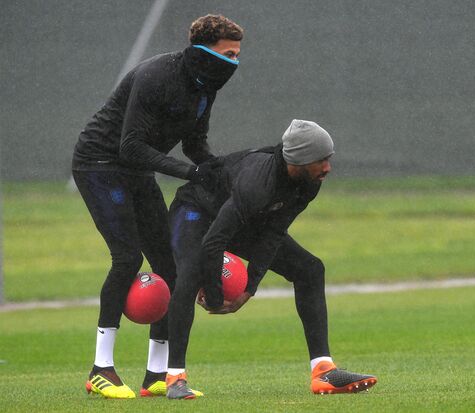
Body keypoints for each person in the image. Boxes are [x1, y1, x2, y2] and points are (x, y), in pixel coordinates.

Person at [71, 14, 243, 399]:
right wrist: (191, 173)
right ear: (203, 51)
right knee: (127, 258)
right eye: (228, 54)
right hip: (100, 164)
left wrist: (219, 171)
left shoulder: (206, 86)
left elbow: (195, 144)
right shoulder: (157, 76)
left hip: (137, 172)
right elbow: (129, 146)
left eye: (237, 55)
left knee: (170, 267)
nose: (235, 63)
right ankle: (101, 369)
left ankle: (157, 376)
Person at [166, 119, 378, 399]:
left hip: (242, 220)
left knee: (310, 269)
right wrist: (217, 299)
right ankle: (174, 378)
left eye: (328, 158)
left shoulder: (309, 182)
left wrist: (249, 288)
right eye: (320, 160)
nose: (328, 167)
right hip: (197, 209)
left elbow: (274, 233)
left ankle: (323, 371)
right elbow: (213, 242)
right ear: (299, 161)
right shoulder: (257, 183)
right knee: (191, 273)